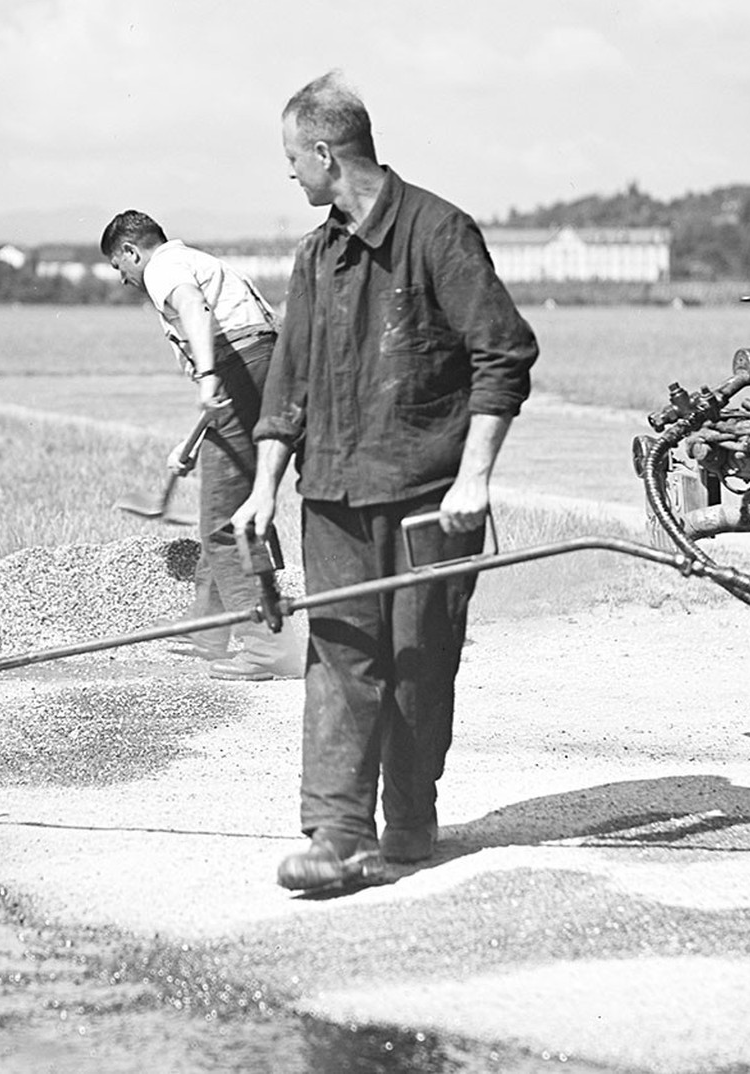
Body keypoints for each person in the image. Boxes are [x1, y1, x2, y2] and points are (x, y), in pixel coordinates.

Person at [232, 73, 539, 891]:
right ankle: (337, 834)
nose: (290, 174)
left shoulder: (440, 234)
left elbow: (503, 354)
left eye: (293, 159)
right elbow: (286, 389)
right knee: (339, 657)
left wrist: (474, 478)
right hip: (332, 497)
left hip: (429, 501)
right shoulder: (315, 257)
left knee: (417, 662)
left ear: (327, 155)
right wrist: (264, 489)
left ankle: (408, 819)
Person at [100, 210, 301, 681]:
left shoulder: (163, 268)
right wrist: (198, 438)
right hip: (260, 363)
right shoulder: (200, 260)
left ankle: (268, 646)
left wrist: (208, 376)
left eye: (118, 266)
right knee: (228, 509)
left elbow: (193, 309)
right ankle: (209, 629)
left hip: (236, 364)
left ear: (131, 251)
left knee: (223, 524)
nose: (125, 279)